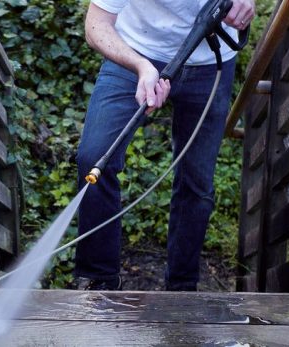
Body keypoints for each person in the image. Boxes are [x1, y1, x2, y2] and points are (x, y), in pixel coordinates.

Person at [73, 0, 254, 291]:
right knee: (94, 158)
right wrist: (141, 66)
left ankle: (182, 289)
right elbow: (96, 26)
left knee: (197, 183)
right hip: (135, 54)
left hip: (210, 65)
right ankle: (99, 283)